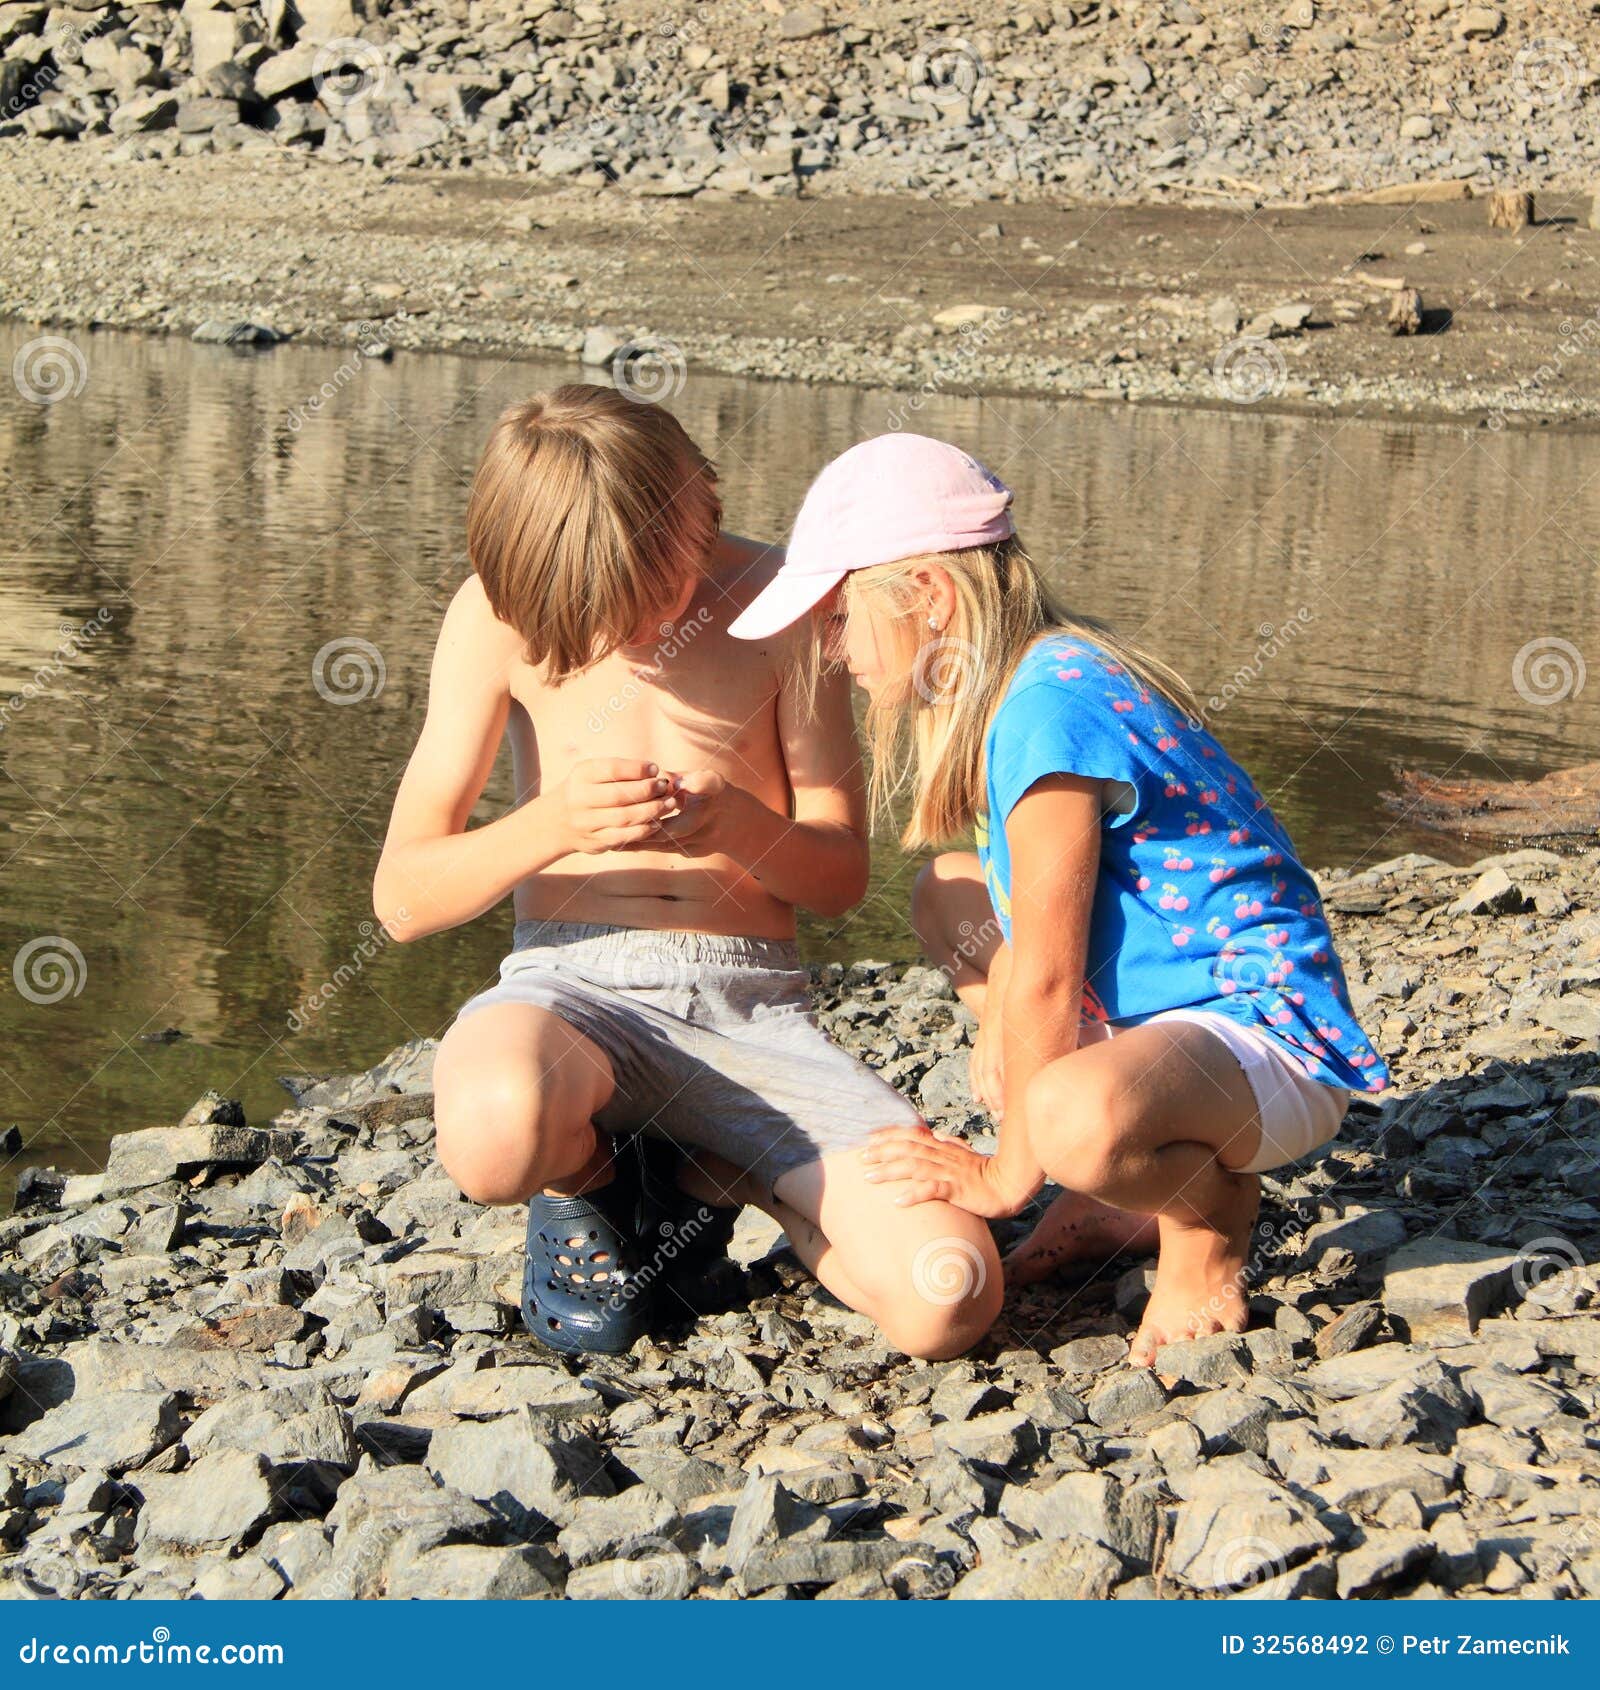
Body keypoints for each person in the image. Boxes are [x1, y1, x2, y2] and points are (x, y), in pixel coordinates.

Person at [728, 432, 1389, 1366]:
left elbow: (1046, 972)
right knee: (947, 892)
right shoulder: (1036, 678)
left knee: (1068, 1120)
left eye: (840, 617)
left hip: (1262, 1037)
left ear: (930, 596)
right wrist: (1006, 1024)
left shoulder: (1049, 710)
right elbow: (1025, 931)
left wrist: (1006, 1176)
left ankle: (1205, 1220)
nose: (833, 652)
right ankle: (1113, 1189)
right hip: (1166, 1031)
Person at [373, 388, 1002, 1359]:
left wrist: (739, 827)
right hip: (568, 989)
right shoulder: (493, 619)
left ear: (698, 512)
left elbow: (836, 880)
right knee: (492, 1132)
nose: (625, 634)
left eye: (645, 596)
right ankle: (593, 1184)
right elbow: (404, 899)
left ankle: (724, 1166)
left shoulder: (782, 603)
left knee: (949, 1294)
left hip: (750, 1007)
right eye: (591, 614)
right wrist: (549, 824)